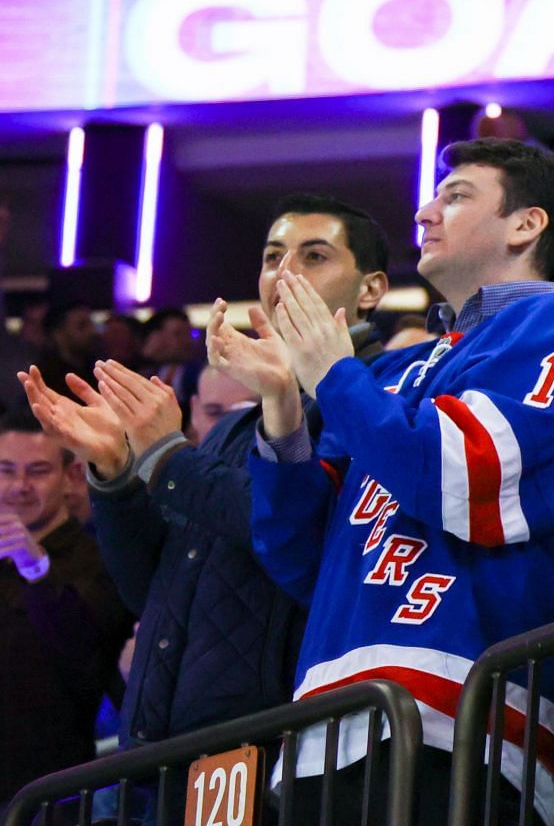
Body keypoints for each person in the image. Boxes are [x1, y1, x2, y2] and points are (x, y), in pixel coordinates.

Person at [248, 141, 554, 823]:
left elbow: (467, 477)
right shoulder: (390, 374)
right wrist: (284, 408)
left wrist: (334, 376)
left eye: (455, 196)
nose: (425, 213)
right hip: (327, 721)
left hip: (467, 723)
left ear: (526, 225)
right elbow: (300, 554)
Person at [22, 196, 389, 794]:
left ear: (370, 290)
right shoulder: (231, 428)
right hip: (161, 745)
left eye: (314, 255)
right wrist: (114, 473)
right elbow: (153, 588)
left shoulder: (375, 401)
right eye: (273, 256)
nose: (284, 272)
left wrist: (166, 454)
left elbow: (288, 530)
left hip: (269, 746)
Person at [0, 408, 133, 804]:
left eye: (37, 471)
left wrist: (35, 567)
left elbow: (84, 652)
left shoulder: (101, 560)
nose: (19, 485)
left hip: (47, 793)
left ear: (69, 476)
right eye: (6, 470)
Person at [35, 301, 102, 400]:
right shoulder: (45, 378)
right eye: (82, 326)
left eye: (91, 324)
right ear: (58, 334)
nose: (92, 331)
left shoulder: (97, 369)